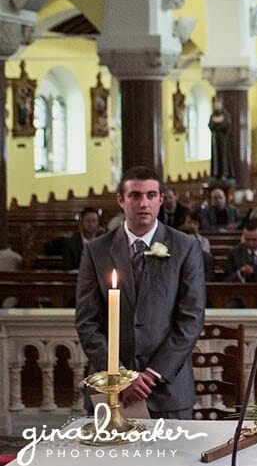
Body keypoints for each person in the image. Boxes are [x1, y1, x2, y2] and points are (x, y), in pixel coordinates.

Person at [75, 165, 205, 419]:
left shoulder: (185, 247)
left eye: (151, 195)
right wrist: (120, 375)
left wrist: (153, 373)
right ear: (121, 200)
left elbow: (191, 319)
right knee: (109, 458)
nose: (143, 203)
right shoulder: (97, 251)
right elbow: (87, 321)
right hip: (112, 388)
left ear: (160, 200)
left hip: (167, 388)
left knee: (172, 459)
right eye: (135, 195)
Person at [61, 206, 103, 271]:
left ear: (98, 223)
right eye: (87, 221)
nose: (91, 224)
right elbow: (67, 267)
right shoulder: (70, 242)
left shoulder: (105, 241)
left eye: (94, 221)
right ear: (81, 222)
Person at [208, 97, 234, 181]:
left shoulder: (225, 114)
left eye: (218, 103)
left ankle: (224, 173)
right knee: (215, 157)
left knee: (223, 156)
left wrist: (219, 123)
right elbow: (210, 125)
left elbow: (227, 125)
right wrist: (215, 123)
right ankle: (216, 173)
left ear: (221, 104)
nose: (216, 105)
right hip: (215, 139)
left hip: (223, 139)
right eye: (215, 104)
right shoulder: (212, 115)